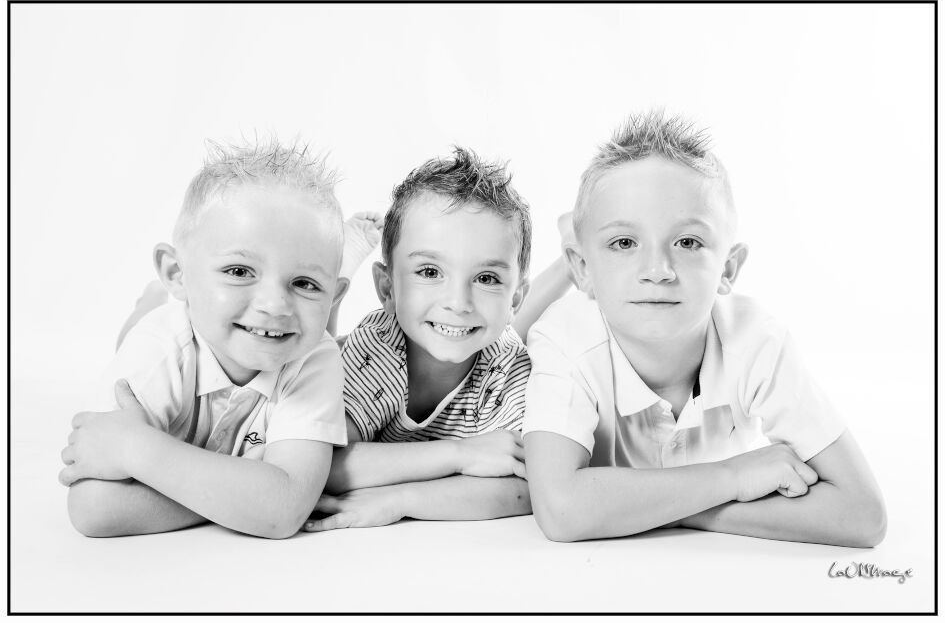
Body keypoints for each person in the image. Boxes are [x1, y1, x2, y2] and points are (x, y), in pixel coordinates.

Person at [523, 113, 887, 547]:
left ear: (728, 269)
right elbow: (562, 511)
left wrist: (666, 508)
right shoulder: (565, 338)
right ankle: (580, 237)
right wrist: (733, 477)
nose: (658, 270)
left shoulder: (757, 341)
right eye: (624, 243)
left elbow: (863, 516)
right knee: (509, 331)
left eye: (688, 242)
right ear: (582, 268)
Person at [59, 139, 350, 539]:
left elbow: (284, 509)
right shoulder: (157, 351)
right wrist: (252, 488)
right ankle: (151, 302)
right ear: (177, 272)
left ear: (333, 297)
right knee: (135, 333)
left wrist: (138, 449)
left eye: (304, 283)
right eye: (239, 271)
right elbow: (93, 509)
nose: (274, 305)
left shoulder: (316, 357)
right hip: (162, 336)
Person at [305, 147, 571, 531]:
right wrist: (461, 454)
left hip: (496, 342)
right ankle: (336, 280)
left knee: (514, 334)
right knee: (318, 347)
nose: (458, 303)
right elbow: (317, 463)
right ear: (387, 288)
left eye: (486, 278)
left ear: (515, 298)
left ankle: (569, 259)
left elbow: (528, 487)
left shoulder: (509, 368)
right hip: (333, 361)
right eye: (430, 272)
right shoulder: (377, 349)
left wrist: (400, 500)